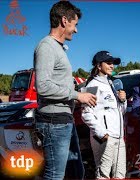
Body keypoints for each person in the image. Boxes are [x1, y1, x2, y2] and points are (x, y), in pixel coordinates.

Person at [33, 1, 96, 179]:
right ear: (64, 20)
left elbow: (58, 84)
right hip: (54, 123)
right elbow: (43, 86)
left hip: (64, 121)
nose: (76, 30)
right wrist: (77, 95)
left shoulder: (58, 49)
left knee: (76, 172)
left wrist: (80, 91)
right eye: (75, 24)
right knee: (55, 175)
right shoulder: (46, 46)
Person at [82, 51, 127, 178]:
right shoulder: (91, 85)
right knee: (103, 175)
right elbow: (86, 114)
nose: (112, 66)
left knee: (120, 174)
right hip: (104, 138)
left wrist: (123, 101)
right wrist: (103, 134)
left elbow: (120, 112)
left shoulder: (112, 84)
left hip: (118, 137)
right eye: (108, 63)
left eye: (113, 63)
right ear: (98, 65)